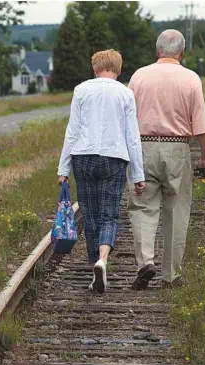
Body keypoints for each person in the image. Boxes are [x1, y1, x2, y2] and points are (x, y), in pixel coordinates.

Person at [127, 29, 205, 290]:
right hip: (177, 149)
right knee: (176, 211)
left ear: (157, 51)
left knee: (143, 207)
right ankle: (171, 275)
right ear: (182, 53)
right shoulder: (190, 79)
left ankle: (145, 263)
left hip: (143, 147)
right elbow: (201, 126)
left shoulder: (139, 76)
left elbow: (126, 117)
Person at [57, 49, 146, 294]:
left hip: (82, 157)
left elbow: (72, 130)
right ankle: (102, 260)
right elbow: (132, 137)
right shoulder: (126, 94)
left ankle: (92, 266)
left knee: (89, 214)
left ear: (95, 69)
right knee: (109, 214)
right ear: (118, 69)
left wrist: (63, 168)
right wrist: (138, 175)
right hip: (114, 159)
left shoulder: (81, 90)